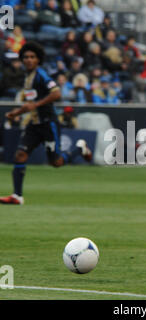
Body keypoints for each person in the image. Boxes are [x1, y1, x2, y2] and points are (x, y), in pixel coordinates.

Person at [0, 42, 92, 205]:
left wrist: (35, 105)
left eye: (32, 57)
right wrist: (16, 112)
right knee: (20, 155)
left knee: (56, 162)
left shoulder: (41, 75)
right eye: (26, 57)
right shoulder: (27, 78)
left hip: (48, 124)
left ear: (38, 59)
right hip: (34, 125)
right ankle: (17, 196)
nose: (29, 60)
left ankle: (80, 148)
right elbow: (31, 103)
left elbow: (56, 94)